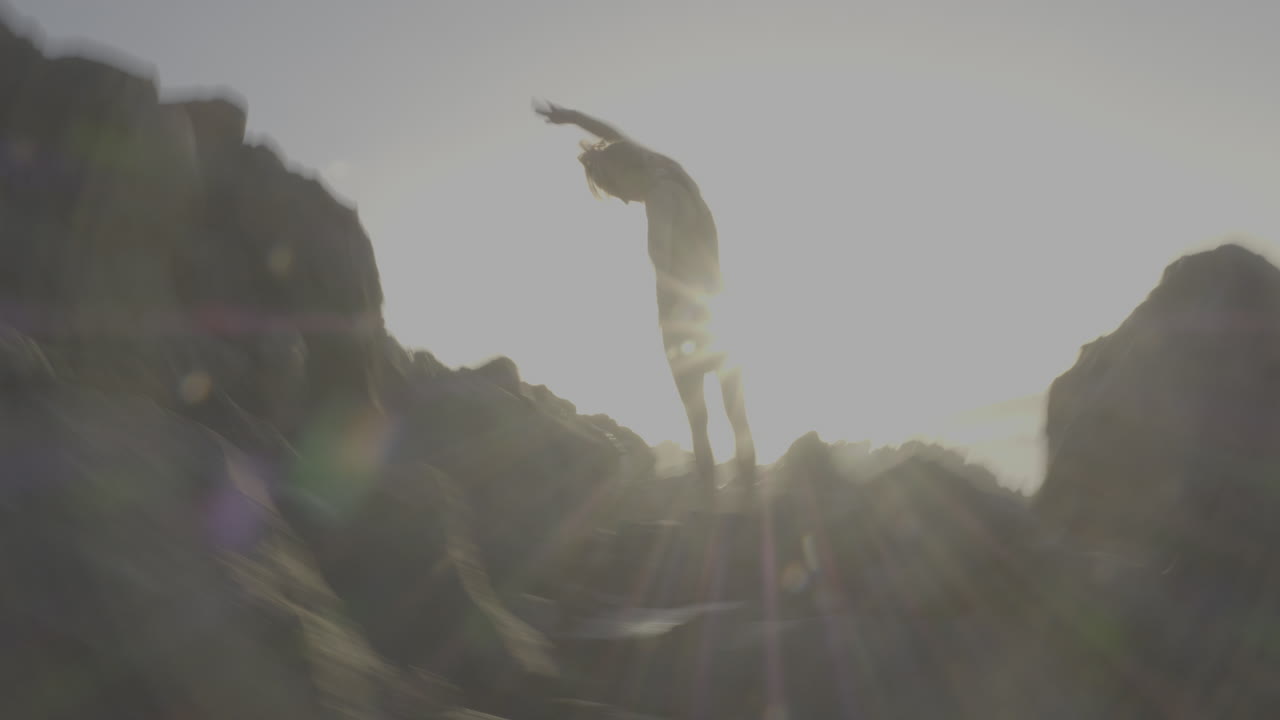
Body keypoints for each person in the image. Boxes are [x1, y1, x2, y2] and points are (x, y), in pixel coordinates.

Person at [534, 100, 756, 499]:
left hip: (685, 317)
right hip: (719, 305)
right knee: (735, 409)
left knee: (698, 417)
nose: (621, 199)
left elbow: (661, 259)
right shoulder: (667, 169)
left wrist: (669, 316)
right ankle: (749, 489)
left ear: (625, 173)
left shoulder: (660, 196)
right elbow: (614, 137)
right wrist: (572, 118)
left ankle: (710, 496)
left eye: (616, 189)